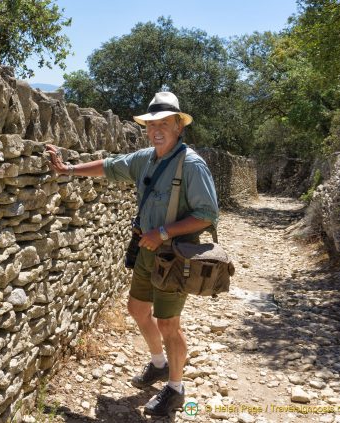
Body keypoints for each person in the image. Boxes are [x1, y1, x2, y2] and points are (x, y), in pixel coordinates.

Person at [47, 92, 219, 416]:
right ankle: (159, 363)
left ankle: (176, 388)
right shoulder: (146, 159)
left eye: (164, 123)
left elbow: (207, 214)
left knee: (169, 323)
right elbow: (109, 168)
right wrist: (68, 169)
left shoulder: (192, 165)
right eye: (152, 123)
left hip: (174, 257)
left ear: (179, 126)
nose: (156, 129)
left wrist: (164, 232)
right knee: (138, 308)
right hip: (147, 250)